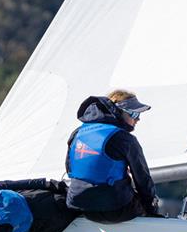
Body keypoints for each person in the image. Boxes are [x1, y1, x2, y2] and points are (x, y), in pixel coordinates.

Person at [65, 89, 160, 222]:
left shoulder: (77, 133)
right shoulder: (125, 139)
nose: (138, 119)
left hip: (78, 206)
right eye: (134, 114)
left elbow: (70, 169)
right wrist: (153, 211)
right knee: (143, 203)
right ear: (119, 112)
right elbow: (143, 180)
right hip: (115, 209)